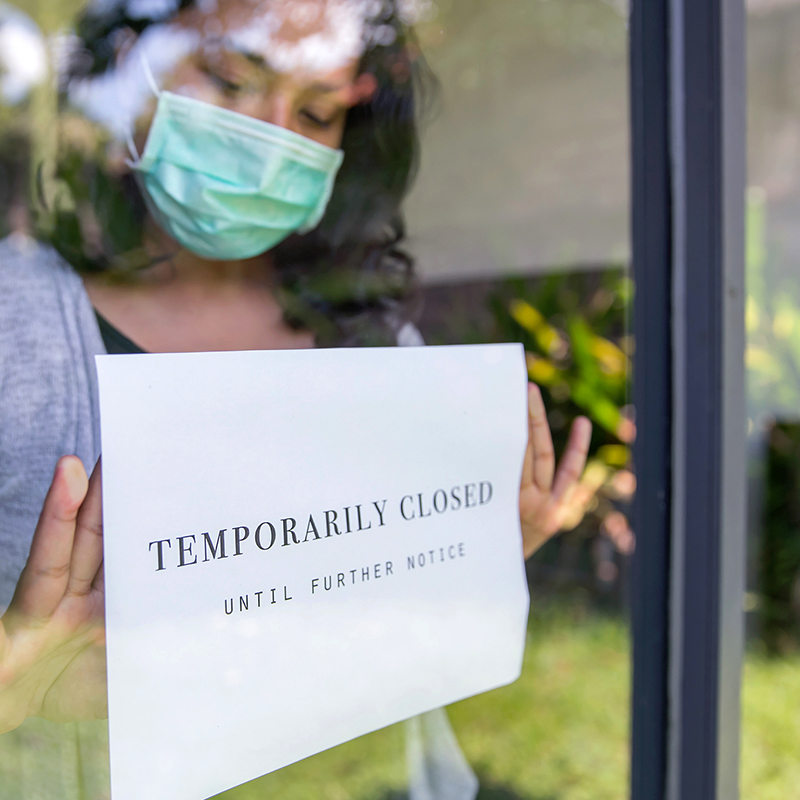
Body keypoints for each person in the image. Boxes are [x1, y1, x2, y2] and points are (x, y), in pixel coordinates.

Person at [0, 0, 591, 771]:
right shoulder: (18, 320)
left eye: (316, 112)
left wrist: (469, 554)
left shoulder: (378, 339)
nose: (274, 135)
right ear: (129, 69)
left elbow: (370, 644)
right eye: (232, 78)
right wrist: (16, 680)